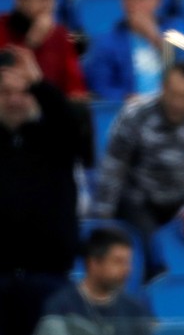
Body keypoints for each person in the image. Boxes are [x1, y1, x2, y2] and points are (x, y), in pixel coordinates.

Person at [92, 62, 184, 266]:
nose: (177, 103)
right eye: (173, 94)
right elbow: (112, 167)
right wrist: (103, 219)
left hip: (179, 194)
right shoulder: (135, 114)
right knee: (153, 253)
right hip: (137, 197)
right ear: (162, 88)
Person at [0, 45, 83, 335]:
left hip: (49, 276)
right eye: (5, 92)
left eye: (22, 91)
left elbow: (78, 133)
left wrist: (40, 84)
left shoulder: (56, 139)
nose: (14, 100)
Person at [84, 0, 184, 101]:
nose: (133, 4)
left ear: (157, 0)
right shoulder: (106, 41)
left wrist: (154, 37)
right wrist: (125, 98)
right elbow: (101, 87)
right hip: (132, 113)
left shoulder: (177, 30)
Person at [35, 227, 153, 335]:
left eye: (127, 262)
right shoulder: (60, 307)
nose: (127, 269)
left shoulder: (135, 310)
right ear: (93, 263)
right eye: (118, 261)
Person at [0, 0, 88, 99]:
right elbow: (8, 83)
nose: (49, 4)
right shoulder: (2, 29)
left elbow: (76, 92)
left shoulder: (60, 35)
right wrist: (30, 44)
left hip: (52, 115)